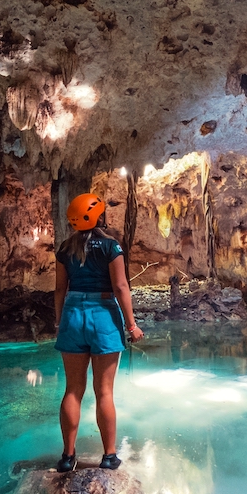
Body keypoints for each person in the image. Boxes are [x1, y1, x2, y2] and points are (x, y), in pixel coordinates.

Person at [54, 192, 145, 472]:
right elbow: (120, 288)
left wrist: (60, 322)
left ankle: (68, 457)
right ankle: (108, 456)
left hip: (72, 316)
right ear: (99, 217)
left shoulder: (65, 249)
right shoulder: (110, 247)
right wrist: (131, 325)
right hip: (103, 315)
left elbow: (60, 289)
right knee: (104, 392)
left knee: (72, 390)